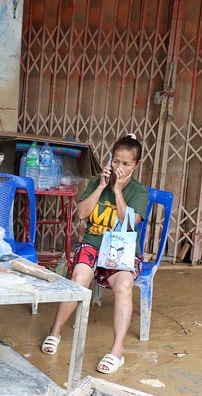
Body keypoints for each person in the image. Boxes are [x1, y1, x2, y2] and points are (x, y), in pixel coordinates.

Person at [41, 134, 148, 375]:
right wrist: (102, 186)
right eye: (116, 162)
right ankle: (54, 332)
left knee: (123, 285)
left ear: (136, 165)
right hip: (93, 244)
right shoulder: (95, 182)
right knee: (79, 278)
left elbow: (129, 225)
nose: (120, 168)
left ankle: (117, 351)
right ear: (110, 160)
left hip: (121, 247)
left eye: (126, 164)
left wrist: (119, 191)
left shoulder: (139, 191)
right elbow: (81, 214)